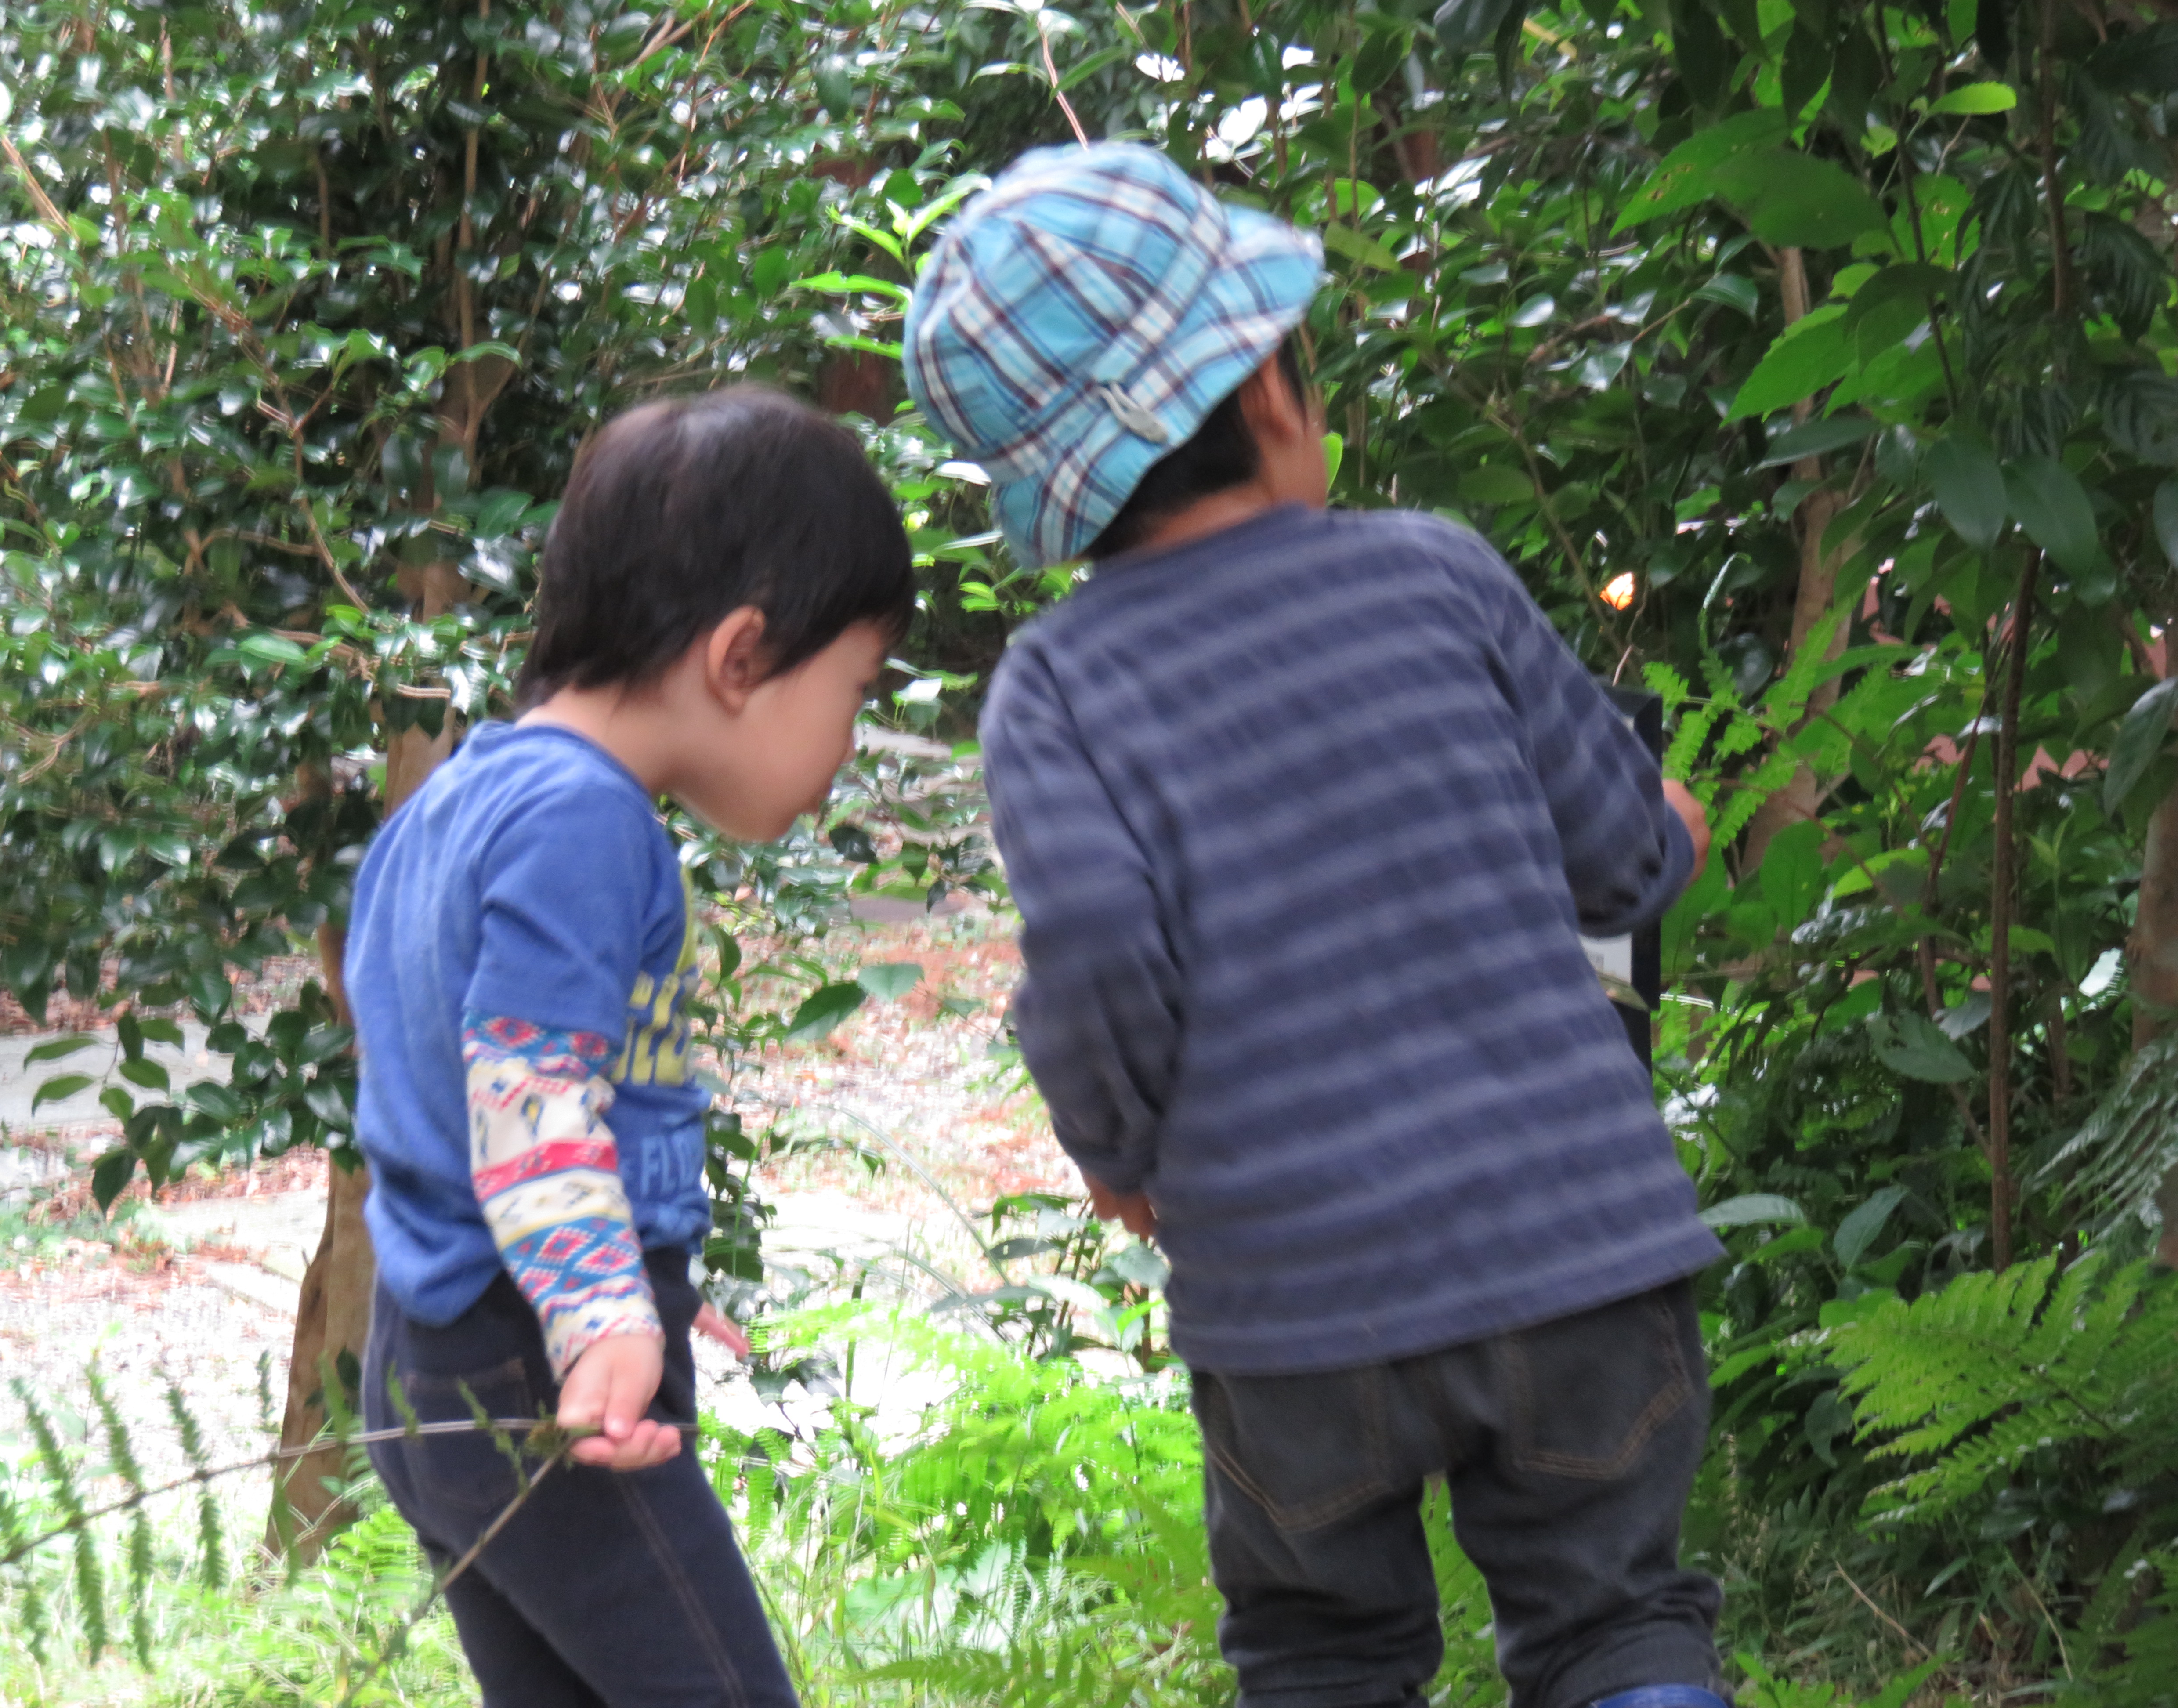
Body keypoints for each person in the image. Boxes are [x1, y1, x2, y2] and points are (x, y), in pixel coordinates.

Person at [902, 144, 1726, 1708]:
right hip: (1574, 1248)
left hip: (1294, 1306)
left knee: (1322, 1655)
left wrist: (1117, 1148)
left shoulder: (1055, 692)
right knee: (1614, 1622)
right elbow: (1620, 862)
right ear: (1276, 394)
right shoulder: (1440, 576)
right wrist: (1670, 830)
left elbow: (1092, 941)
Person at [346, 387, 915, 1708]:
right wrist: (600, 1305)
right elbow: (528, 1089)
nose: (847, 745)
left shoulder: (457, 803)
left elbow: (432, 1074)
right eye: (854, 690)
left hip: (426, 1359)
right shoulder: (586, 821)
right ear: (741, 656)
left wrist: (642, 1246)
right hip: (530, 1368)